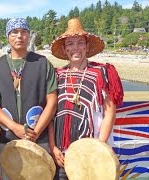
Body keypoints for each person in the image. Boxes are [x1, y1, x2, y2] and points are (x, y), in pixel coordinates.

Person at [48, 18, 124, 179]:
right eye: (69, 44)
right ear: (64, 48)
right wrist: (53, 147)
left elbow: (109, 113)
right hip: (62, 154)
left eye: (80, 42)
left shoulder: (102, 73)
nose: (75, 48)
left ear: (87, 46)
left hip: (92, 152)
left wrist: (98, 147)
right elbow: (51, 115)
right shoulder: (57, 75)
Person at [0, 17, 58, 179]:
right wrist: (14, 127)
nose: (19, 36)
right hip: (9, 140)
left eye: (24, 32)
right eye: (14, 32)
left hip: (39, 139)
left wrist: (36, 131)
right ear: (7, 36)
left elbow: (52, 102)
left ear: (29, 35)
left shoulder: (42, 63)